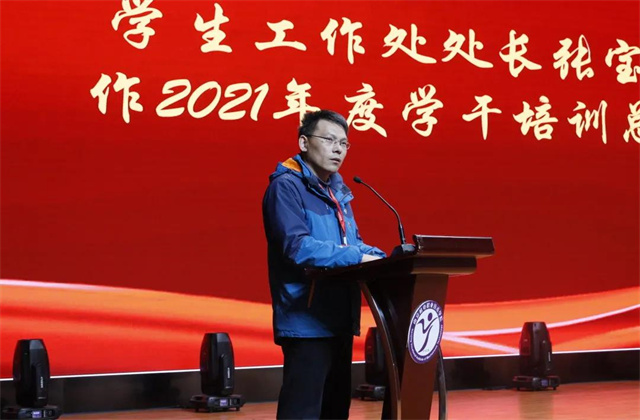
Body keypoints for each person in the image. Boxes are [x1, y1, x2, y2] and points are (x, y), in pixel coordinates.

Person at [262, 109, 386, 419]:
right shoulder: (286, 187)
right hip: (306, 322)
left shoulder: (337, 192)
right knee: (303, 412)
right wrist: (358, 256)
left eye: (344, 143)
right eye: (329, 140)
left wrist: (387, 257)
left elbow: (352, 244)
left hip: (339, 320)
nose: (338, 149)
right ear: (304, 143)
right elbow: (297, 246)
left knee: (335, 411)